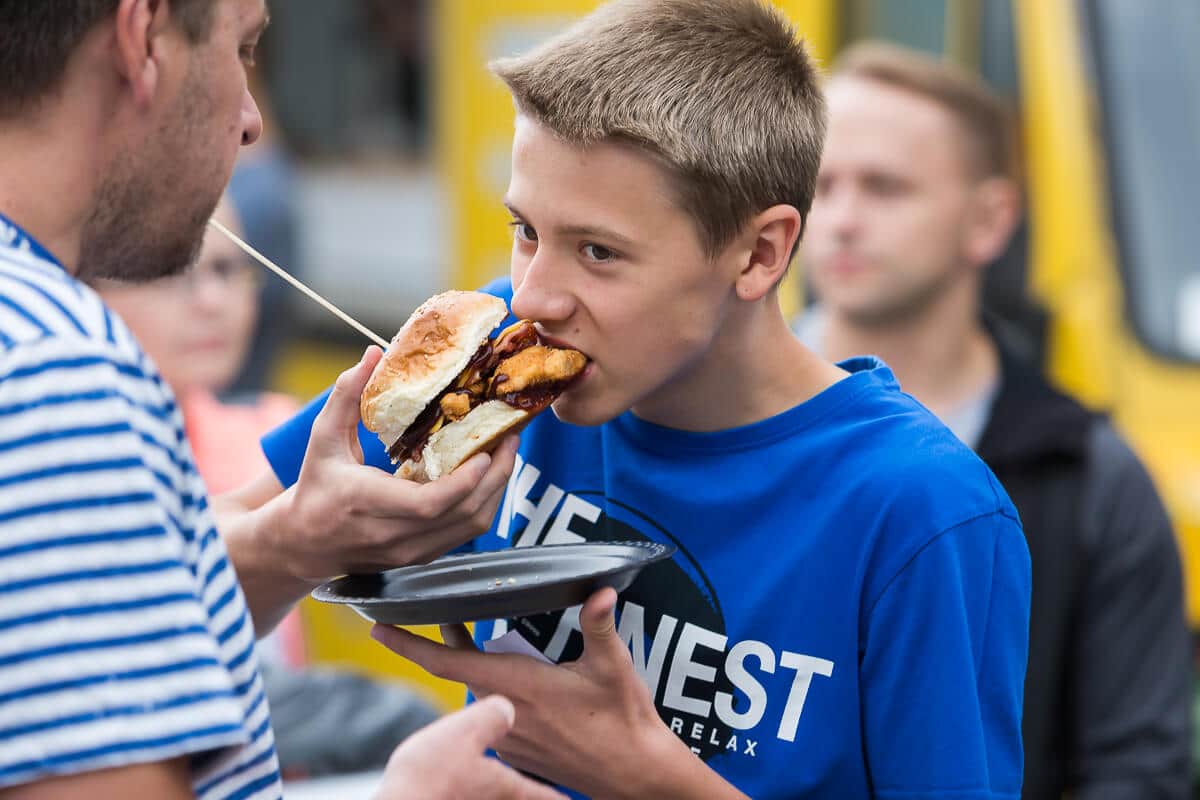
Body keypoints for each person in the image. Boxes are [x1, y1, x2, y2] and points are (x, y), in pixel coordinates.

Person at [262, 1, 1033, 797]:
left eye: (598, 252)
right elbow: (203, 561)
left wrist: (647, 779)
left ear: (761, 253)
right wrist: (299, 534)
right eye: (526, 229)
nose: (534, 297)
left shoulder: (919, 508)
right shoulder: (499, 370)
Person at [0, 1, 557, 798]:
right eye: (245, 49)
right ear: (142, 36)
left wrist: (298, 542)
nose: (253, 122)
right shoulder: (60, 379)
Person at [794, 42, 1191, 798]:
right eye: (822, 186)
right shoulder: (703, 411)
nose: (841, 220)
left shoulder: (1090, 478)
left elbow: (1137, 771)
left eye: (884, 187)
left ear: (989, 219)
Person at [92, 198, 443, 779]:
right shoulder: (79, 465)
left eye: (228, 271)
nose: (212, 303)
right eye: (174, 271)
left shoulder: (272, 435)